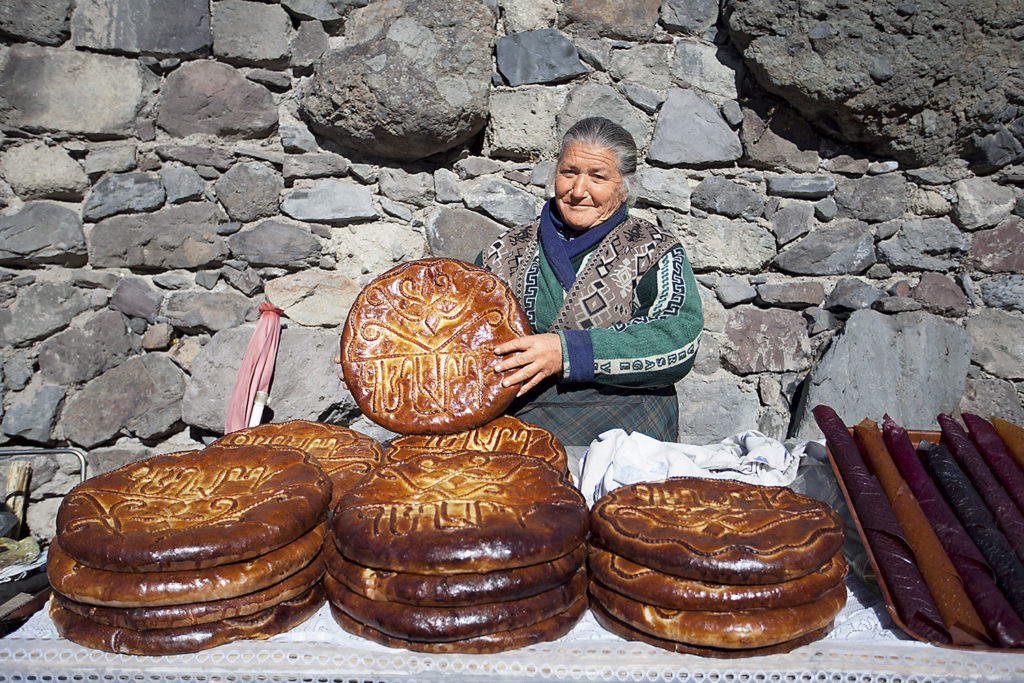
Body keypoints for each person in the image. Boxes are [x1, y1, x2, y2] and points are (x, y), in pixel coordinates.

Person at [479, 116, 703, 447]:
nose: (578, 190)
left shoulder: (653, 248)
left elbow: (679, 338)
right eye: (569, 172)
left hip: (627, 428)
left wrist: (567, 352)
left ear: (624, 186)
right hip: (519, 427)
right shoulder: (504, 250)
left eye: (598, 177)